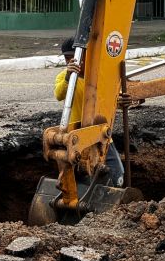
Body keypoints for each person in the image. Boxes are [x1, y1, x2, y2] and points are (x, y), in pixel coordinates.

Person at [53, 38, 125, 186]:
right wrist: (69, 76)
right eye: (67, 58)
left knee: (117, 177)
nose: (70, 61)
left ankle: (111, 204)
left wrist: (123, 101)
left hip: (101, 135)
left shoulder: (99, 78)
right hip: (78, 136)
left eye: (73, 57)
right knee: (81, 179)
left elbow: (111, 99)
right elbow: (59, 94)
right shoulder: (64, 77)